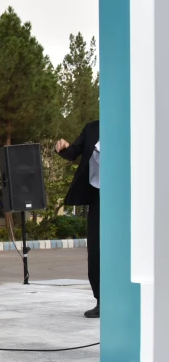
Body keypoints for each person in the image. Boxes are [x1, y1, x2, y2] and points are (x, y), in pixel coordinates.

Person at [56, 120, 101, 318]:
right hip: (99, 196)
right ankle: (102, 300)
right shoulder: (92, 128)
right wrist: (63, 147)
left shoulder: (131, 124)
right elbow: (73, 152)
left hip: (128, 196)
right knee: (97, 249)